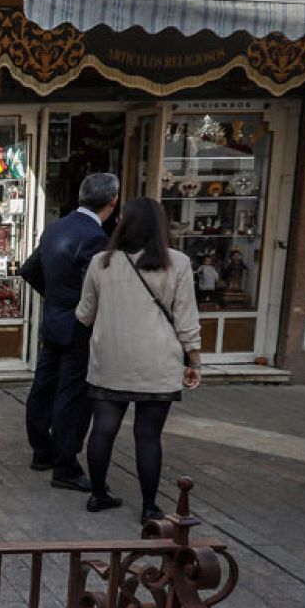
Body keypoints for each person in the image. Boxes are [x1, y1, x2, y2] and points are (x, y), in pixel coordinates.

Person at [76, 198, 202, 522]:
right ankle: (148, 506)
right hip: (158, 363)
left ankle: (97, 494)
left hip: (111, 359)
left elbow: (84, 316)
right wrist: (195, 361)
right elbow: (187, 319)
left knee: (102, 429)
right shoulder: (178, 263)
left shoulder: (101, 263)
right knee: (148, 436)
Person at [17, 172, 118, 493]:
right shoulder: (95, 237)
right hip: (79, 326)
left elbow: (30, 269)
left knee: (45, 386)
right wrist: (76, 305)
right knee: (71, 396)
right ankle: (65, 464)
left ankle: (41, 449)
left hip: (55, 319)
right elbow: (95, 289)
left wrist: (56, 297)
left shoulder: (57, 228)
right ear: (113, 202)